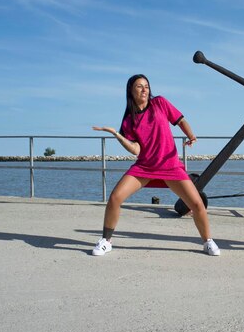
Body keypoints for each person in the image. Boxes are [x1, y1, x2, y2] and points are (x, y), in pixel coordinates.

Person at [91, 74, 220, 256]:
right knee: (115, 198)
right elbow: (135, 149)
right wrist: (117, 135)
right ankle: (106, 241)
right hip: (144, 167)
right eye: (139, 86)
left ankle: (208, 242)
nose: (144, 90)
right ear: (131, 90)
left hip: (170, 165)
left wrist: (191, 135)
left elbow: (180, 120)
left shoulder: (159, 103)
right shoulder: (129, 120)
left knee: (197, 204)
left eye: (146, 86)